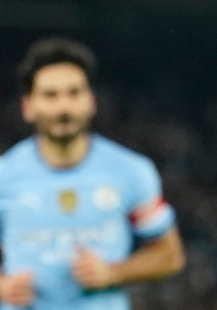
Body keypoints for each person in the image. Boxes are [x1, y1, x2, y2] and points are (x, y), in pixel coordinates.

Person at [0, 38, 185, 310]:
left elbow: (170, 256)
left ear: (91, 101)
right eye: (50, 95)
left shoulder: (131, 171)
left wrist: (113, 272)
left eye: (74, 93)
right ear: (29, 106)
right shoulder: (5, 175)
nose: (63, 107)